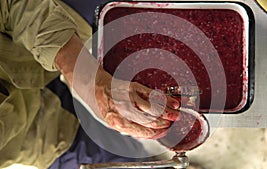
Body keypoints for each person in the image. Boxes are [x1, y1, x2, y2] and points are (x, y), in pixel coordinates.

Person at [0, 0, 180, 168]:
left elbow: (14, 4)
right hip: (41, 134)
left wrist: (90, 82)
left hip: (26, 31)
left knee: (129, 14)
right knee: (127, 156)